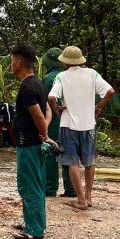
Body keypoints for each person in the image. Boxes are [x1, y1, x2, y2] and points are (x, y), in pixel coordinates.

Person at [48, 45, 115, 210]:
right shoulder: (92, 73)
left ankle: (80, 199)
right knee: (89, 162)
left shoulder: (62, 77)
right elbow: (110, 91)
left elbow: (51, 97)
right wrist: (98, 107)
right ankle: (88, 196)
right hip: (88, 125)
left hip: (68, 125)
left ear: (65, 62)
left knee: (72, 162)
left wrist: (57, 108)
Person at [9, 45, 55, 239]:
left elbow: (38, 115)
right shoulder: (37, 83)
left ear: (18, 63)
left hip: (28, 143)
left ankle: (34, 230)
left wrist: (44, 135)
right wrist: (44, 133)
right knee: (35, 183)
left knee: (29, 185)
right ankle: (33, 222)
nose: (11, 65)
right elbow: (47, 112)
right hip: (32, 142)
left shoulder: (27, 87)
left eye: (12, 61)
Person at [40, 48, 76, 199]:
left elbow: (43, 103)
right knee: (69, 155)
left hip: (53, 122)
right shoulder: (71, 77)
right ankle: (71, 189)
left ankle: (50, 188)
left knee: (51, 154)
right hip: (71, 122)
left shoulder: (48, 79)